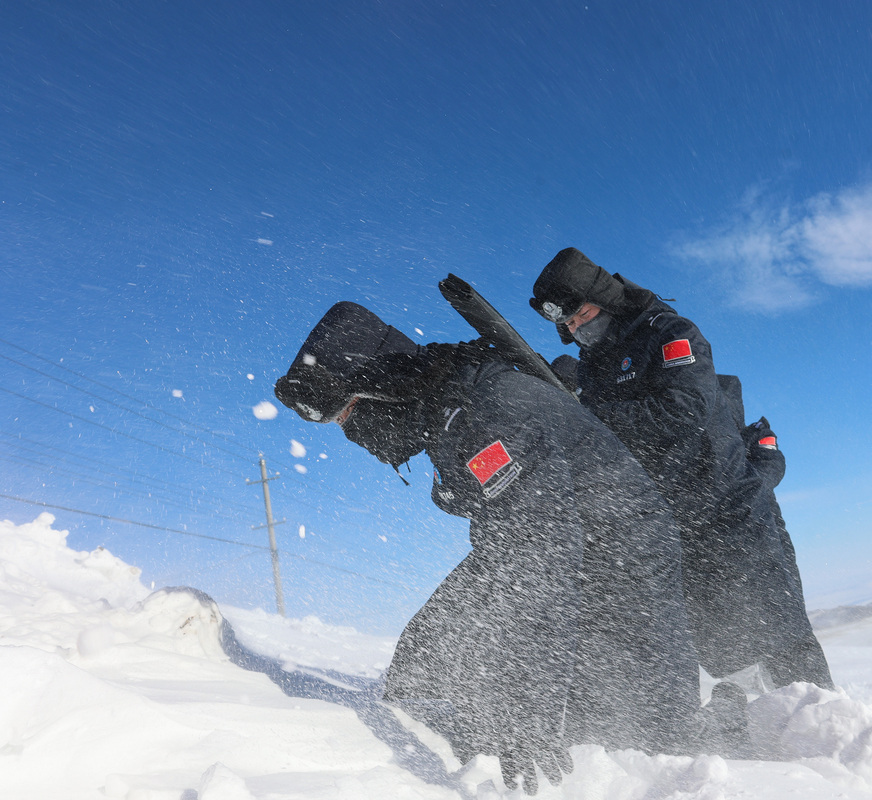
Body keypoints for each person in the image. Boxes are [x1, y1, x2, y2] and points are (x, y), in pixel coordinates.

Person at [275, 301, 739, 795]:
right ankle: (430, 726)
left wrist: (527, 707)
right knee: (427, 655)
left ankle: (731, 721)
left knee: (641, 737)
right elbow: (513, 537)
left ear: (376, 387)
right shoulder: (445, 404)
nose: (351, 433)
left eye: (347, 414)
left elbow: (543, 557)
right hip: (550, 549)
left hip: (623, 564)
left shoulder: (482, 411)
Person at [530, 248, 834, 692]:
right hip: (672, 524)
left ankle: (827, 725)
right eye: (570, 325)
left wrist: (590, 417)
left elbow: (684, 409)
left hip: (728, 510)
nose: (579, 328)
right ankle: (758, 730)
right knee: (726, 653)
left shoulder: (670, 332)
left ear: (605, 299)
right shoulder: (594, 366)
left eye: (584, 315)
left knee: (779, 635)